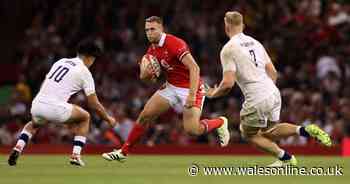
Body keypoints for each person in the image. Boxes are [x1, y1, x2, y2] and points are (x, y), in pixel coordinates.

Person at [205, 11, 332, 166]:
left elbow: (228, 83)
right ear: (243, 25)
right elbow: (273, 72)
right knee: (268, 132)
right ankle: (304, 130)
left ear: (226, 27)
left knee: (249, 134)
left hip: (257, 96)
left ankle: (286, 159)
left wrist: (212, 94)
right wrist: (267, 91)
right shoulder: (256, 43)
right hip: (273, 91)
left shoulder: (228, 49)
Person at [102, 16, 229, 162]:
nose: (149, 33)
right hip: (171, 87)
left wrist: (192, 95)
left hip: (190, 88)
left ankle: (220, 122)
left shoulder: (175, 43)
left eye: (152, 29)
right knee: (145, 115)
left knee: (192, 130)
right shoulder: (152, 49)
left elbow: (195, 68)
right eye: (146, 30)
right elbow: (148, 78)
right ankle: (123, 152)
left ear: (161, 29)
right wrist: (145, 74)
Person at [8, 40, 116, 167]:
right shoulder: (85, 72)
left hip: (37, 104)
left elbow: (46, 82)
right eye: (94, 59)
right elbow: (94, 104)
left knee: (33, 125)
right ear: (90, 58)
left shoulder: (61, 61)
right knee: (85, 117)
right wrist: (108, 119)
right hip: (55, 107)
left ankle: (18, 147)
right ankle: (76, 155)